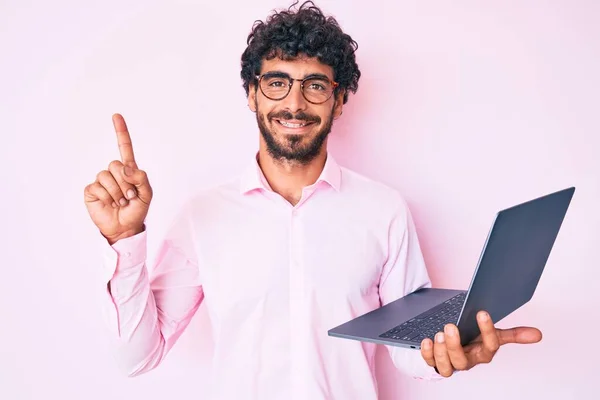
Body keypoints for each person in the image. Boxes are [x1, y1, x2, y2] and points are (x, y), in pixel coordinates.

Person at [83, 1, 542, 399]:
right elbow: (136, 358)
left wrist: (447, 354)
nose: (295, 103)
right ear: (251, 94)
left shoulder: (383, 211)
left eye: (316, 85)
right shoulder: (203, 217)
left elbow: (409, 354)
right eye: (277, 83)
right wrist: (124, 238)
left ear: (338, 100)